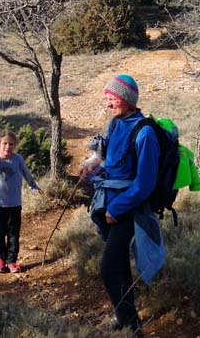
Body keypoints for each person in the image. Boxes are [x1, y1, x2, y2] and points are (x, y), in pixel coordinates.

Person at [80, 74, 163, 337]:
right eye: (106, 99)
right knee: (119, 265)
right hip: (110, 202)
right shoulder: (117, 123)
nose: (107, 104)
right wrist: (92, 165)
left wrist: (117, 209)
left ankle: (132, 328)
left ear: (126, 100)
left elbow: (145, 183)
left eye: (111, 99)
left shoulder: (145, 132)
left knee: (108, 268)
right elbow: (111, 159)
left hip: (128, 207)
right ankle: (125, 317)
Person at [0, 130, 41, 273]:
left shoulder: (18, 159)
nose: (7, 147)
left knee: (13, 234)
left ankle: (11, 260)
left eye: (11, 144)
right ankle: (0, 259)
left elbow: (26, 173)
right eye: (4, 143)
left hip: (14, 204)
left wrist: (33, 185)